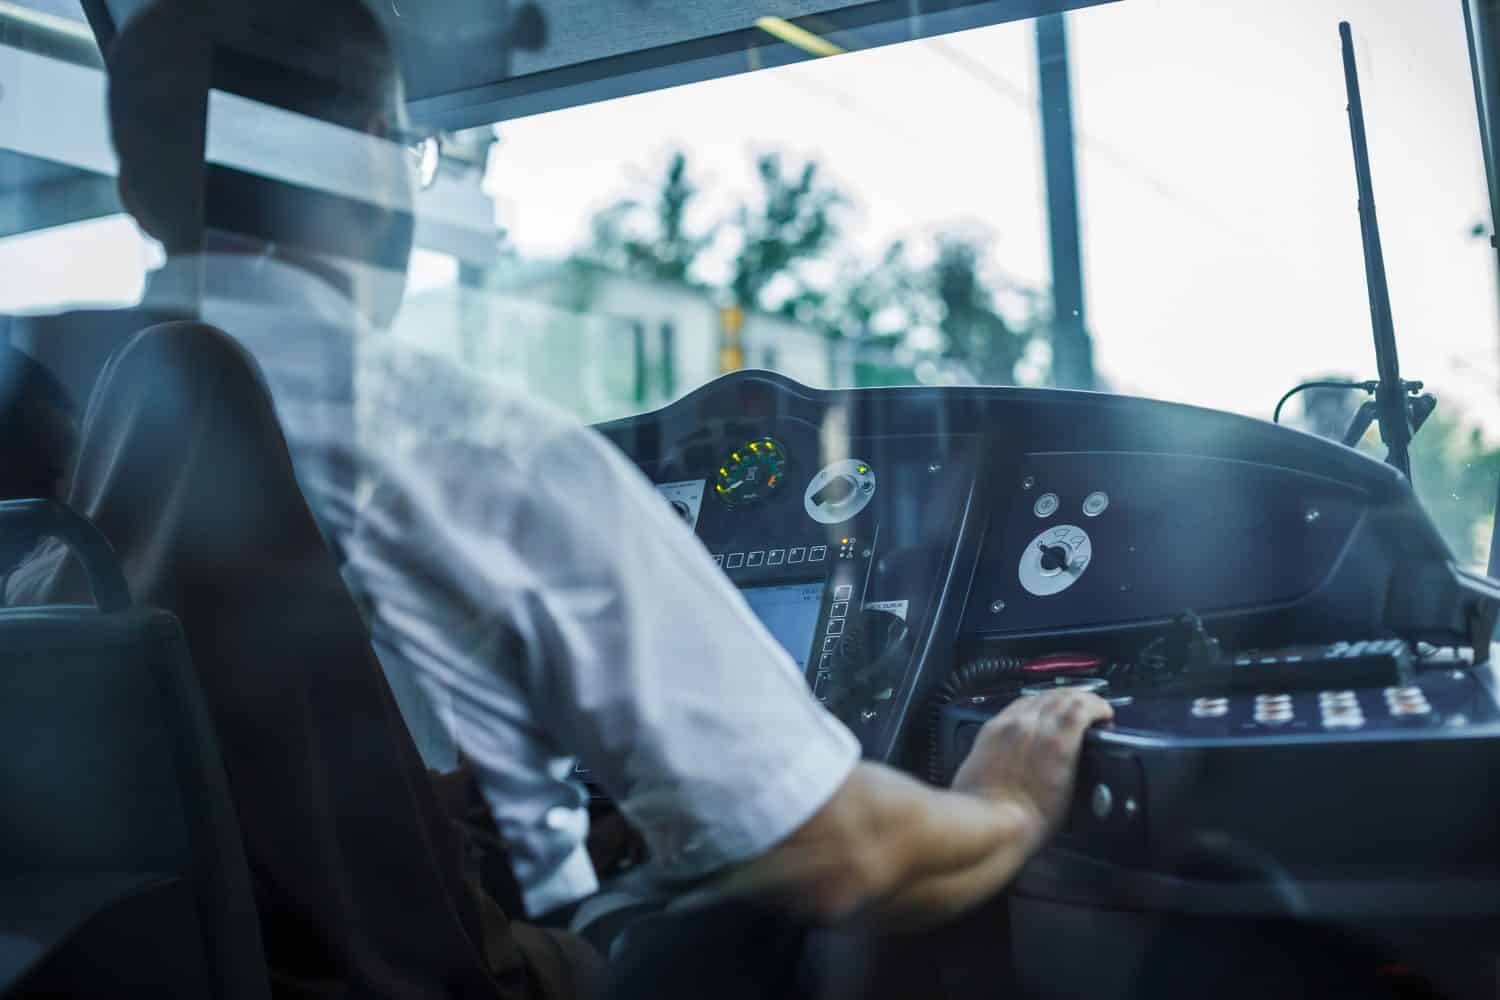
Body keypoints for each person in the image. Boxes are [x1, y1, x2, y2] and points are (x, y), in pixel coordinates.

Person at [18, 0, 1113, 990]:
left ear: (136, 184)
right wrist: (1003, 803)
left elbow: (231, 775)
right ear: (368, 160)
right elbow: (842, 852)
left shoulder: (92, 446)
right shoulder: (471, 451)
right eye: (409, 144)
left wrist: (427, 811)